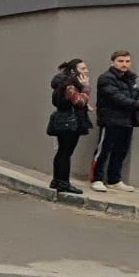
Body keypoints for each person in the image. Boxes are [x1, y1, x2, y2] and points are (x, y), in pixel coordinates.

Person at [91, 50, 139, 192]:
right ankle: (97, 179)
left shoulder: (131, 79)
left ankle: (114, 180)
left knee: (121, 151)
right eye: (120, 61)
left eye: (127, 61)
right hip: (110, 120)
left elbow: (136, 94)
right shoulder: (106, 78)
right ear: (112, 62)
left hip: (127, 120)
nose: (124, 64)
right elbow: (117, 98)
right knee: (103, 150)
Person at [49, 58, 93, 194]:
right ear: (74, 71)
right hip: (69, 123)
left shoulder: (64, 83)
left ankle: (57, 181)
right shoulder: (70, 84)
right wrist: (86, 88)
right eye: (83, 68)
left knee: (62, 151)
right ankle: (63, 183)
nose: (86, 71)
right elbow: (78, 101)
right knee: (65, 153)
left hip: (64, 120)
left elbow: (68, 101)